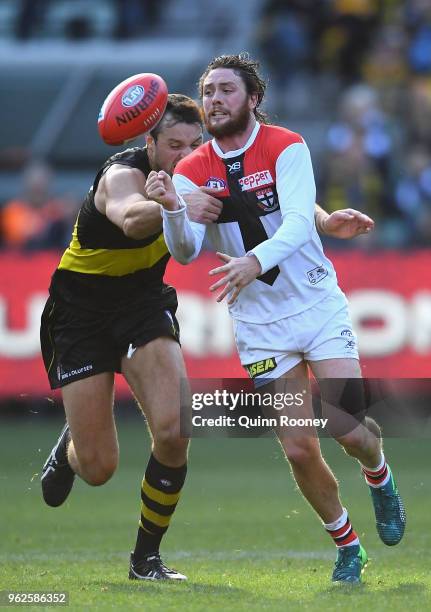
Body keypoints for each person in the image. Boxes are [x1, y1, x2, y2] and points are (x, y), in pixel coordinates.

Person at [40, 92, 374, 583]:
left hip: (142, 304)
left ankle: (145, 560)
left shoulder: (201, 169)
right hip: (80, 312)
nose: (185, 154)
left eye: (194, 143)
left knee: (176, 430)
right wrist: (175, 203)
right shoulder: (122, 176)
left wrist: (322, 220)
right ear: (148, 143)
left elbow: (272, 192)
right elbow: (132, 218)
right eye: (174, 144)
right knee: (98, 468)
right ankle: (73, 444)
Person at [145, 54, 406, 585]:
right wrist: (174, 208)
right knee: (297, 445)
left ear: (253, 99)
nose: (215, 99)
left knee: (348, 430)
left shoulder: (287, 146)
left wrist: (253, 260)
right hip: (260, 323)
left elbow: (294, 222)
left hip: (314, 303)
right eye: (208, 91)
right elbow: (189, 251)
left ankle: (379, 476)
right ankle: (348, 547)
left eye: (226, 90)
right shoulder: (192, 169)